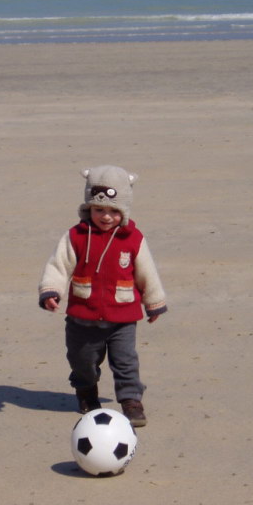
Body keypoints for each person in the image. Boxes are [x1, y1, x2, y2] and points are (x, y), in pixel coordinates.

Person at [38, 165, 167, 427]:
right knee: (82, 362)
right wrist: (52, 290)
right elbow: (59, 266)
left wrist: (153, 302)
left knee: (125, 362)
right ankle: (86, 391)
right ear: (89, 208)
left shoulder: (133, 239)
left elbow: (147, 272)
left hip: (122, 318)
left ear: (124, 211)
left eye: (114, 211)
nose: (106, 217)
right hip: (82, 319)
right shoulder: (76, 236)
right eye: (99, 210)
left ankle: (131, 401)